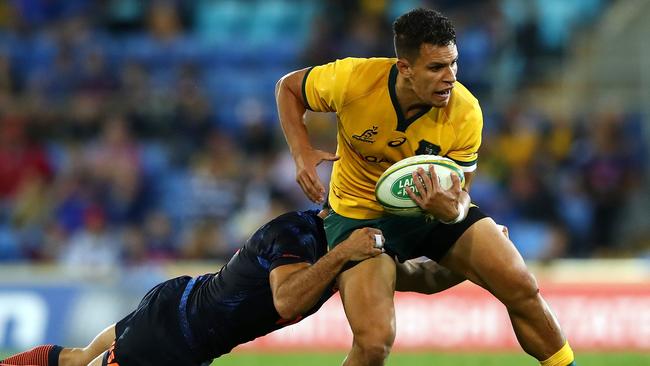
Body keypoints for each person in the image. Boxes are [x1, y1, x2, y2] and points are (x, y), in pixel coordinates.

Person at [276, 7, 576, 366]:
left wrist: (455, 210)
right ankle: (387, 271)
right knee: (373, 344)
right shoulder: (354, 79)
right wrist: (301, 152)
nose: (449, 77)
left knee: (521, 285)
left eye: (454, 64)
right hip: (359, 216)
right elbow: (288, 88)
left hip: (430, 212)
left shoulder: (465, 111)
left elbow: (462, 192)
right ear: (404, 67)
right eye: (436, 68)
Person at [0, 209, 464, 366]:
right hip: (170, 338)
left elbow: (421, 278)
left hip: (180, 310)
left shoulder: (349, 253)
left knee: (81, 359)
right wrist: (344, 253)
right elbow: (286, 297)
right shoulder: (296, 235)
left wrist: (474, 258)